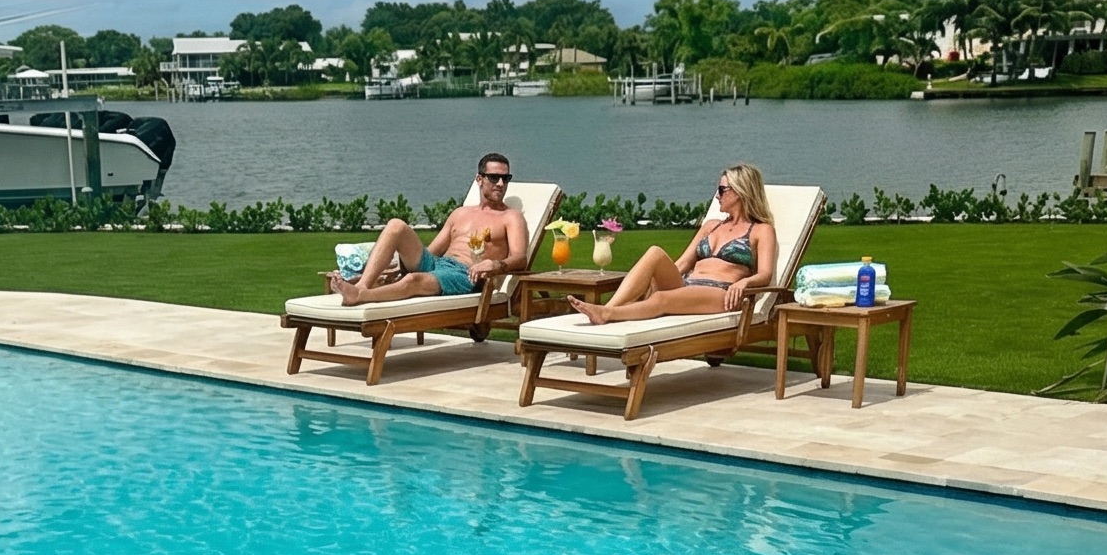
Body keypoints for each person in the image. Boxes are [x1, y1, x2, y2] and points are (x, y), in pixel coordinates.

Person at [568, 165, 777, 324]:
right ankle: (609, 307)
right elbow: (683, 263)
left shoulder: (761, 229)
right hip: (686, 285)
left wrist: (744, 283)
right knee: (655, 253)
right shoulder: (711, 226)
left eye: (722, 190)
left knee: (661, 298)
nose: (716, 195)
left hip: (720, 292)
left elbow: (765, 274)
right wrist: (650, 280)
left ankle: (607, 314)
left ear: (739, 192)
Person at [332, 155, 529, 306]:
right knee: (396, 225)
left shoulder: (511, 217)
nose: (501, 184)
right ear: (479, 179)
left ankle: (360, 296)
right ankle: (362, 285)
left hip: (464, 275)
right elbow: (432, 252)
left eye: (506, 178)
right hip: (437, 264)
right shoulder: (460, 213)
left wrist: (495, 265)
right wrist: (393, 268)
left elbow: (520, 258)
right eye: (494, 177)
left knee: (414, 279)